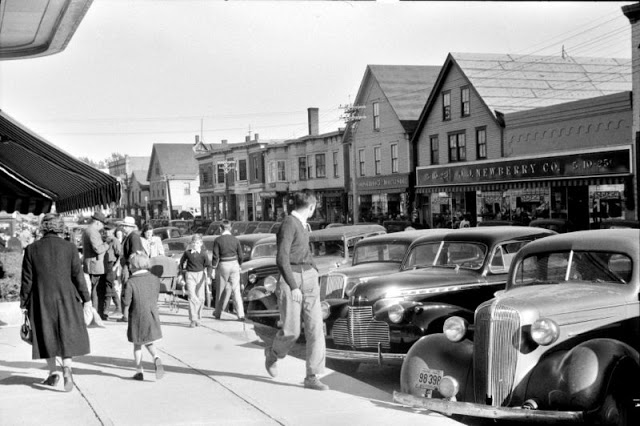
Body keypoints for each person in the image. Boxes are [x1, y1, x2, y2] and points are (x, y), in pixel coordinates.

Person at [264, 189, 328, 391]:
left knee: (316, 328)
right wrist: (293, 286)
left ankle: (312, 376)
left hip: (309, 277)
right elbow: (282, 258)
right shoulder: (289, 224)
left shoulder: (302, 224)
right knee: (292, 331)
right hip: (291, 278)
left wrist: (314, 270)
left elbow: (303, 251)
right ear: (311, 207)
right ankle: (273, 353)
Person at [20, 213, 92, 392]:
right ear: (60, 227)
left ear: (43, 227)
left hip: (41, 298)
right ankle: (67, 368)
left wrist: (24, 303)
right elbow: (78, 276)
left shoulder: (31, 249)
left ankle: (53, 372)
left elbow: (27, 280)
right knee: (66, 333)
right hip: (67, 297)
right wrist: (86, 298)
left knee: (46, 334)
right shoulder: (70, 248)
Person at [122, 253, 164, 381]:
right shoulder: (155, 279)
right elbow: (155, 296)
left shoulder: (131, 282)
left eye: (130, 265)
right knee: (148, 340)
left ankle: (139, 370)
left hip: (137, 316)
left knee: (137, 344)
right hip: (152, 314)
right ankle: (156, 357)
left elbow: (126, 301)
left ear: (135, 266)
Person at [212, 220, 244, 320]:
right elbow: (241, 255)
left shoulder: (218, 240)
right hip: (234, 264)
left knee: (221, 290)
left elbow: (215, 256)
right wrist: (239, 264)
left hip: (223, 264)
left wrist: (213, 268)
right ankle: (241, 314)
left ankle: (218, 313)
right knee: (236, 290)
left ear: (220, 229)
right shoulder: (235, 239)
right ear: (230, 228)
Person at [178, 234, 212, 328]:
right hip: (190, 275)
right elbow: (181, 263)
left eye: (197, 243)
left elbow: (209, 265)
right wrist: (181, 274)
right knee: (192, 297)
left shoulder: (203, 254)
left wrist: (208, 276)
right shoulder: (187, 253)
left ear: (201, 243)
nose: (195, 245)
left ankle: (198, 318)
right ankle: (193, 319)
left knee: (201, 298)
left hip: (200, 275)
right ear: (191, 243)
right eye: (193, 243)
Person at [82, 211, 110, 320]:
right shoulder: (93, 232)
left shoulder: (88, 230)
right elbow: (98, 249)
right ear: (98, 222)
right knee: (97, 291)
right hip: (95, 266)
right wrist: (107, 243)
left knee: (96, 290)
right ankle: (96, 314)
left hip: (93, 265)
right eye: (102, 224)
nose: (103, 227)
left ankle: (97, 313)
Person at [118, 217, 144, 323]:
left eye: (125, 226)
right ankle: (126, 314)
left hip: (129, 267)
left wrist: (129, 266)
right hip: (127, 266)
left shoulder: (134, 237)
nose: (123, 227)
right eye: (123, 225)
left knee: (127, 290)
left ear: (130, 227)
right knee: (126, 290)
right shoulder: (129, 236)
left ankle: (127, 315)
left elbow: (135, 253)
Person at [103, 221, 122, 318]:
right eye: (106, 230)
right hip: (105, 265)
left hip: (111, 265)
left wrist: (115, 266)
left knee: (109, 286)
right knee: (110, 286)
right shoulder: (105, 240)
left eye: (109, 230)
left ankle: (106, 310)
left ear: (113, 230)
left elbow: (120, 255)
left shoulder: (115, 241)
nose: (107, 232)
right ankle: (117, 307)